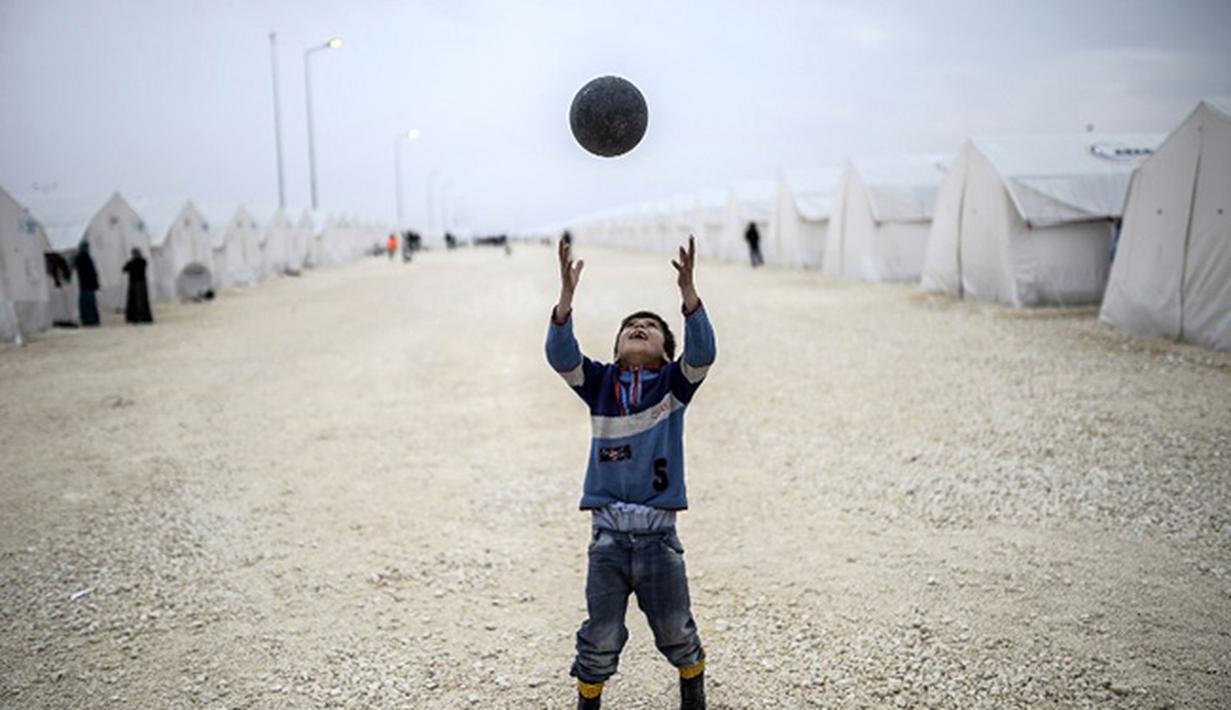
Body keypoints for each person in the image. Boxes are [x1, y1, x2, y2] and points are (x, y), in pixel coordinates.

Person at [546, 235, 716, 710]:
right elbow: (561, 357)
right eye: (630, 326)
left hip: (659, 541)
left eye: (650, 326)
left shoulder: (673, 386)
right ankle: (589, 698)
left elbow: (702, 355)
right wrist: (565, 301)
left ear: (665, 352)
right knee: (600, 633)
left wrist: (688, 297)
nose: (638, 327)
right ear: (618, 347)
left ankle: (693, 687)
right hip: (607, 542)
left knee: (675, 629)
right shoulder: (599, 384)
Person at [122, 248, 154, 324]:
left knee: (136, 301)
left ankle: (136, 317)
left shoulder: (133, 262)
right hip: (141, 283)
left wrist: (130, 262)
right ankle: (143, 317)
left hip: (134, 283)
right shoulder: (143, 261)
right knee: (141, 300)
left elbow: (124, 269)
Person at [73, 240, 100, 327]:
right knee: (90, 303)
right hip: (89, 285)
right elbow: (93, 272)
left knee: (86, 303)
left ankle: (88, 320)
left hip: (85, 285)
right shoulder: (87, 258)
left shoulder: (80, 257)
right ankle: (92, 320)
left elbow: (75, 266)